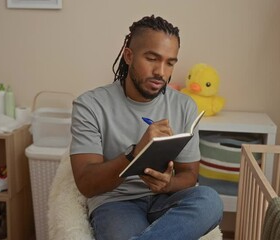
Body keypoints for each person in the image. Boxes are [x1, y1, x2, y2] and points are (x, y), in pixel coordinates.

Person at [70, 15, 223, 240]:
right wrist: (135, 153)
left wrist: (168, 184)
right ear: (129, 55)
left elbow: (189, 174)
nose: (161, 72)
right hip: (116, 203)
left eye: (170, 62)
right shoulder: (90, 105)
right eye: (152, 58)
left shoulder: (184, 105)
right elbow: (87, 184)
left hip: (166, 200)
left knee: (209, 201)